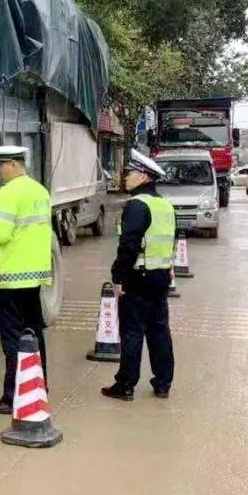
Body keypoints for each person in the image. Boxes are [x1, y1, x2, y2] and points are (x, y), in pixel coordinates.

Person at [0, 145, 53, 415]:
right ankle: (39, 385)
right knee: (34, 331)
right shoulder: (39, 191)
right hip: (33, 277)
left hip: (9, 279)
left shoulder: (7, 193)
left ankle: (12, 397)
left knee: (12, 339)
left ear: (11, 164)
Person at [101, 149, 175, 402]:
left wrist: (118, 276)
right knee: (159, 331)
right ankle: (163, 383)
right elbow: (169, 243)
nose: (126, 177)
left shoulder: (137, 205)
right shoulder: (164, 204)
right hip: (161, 278)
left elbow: (129, 245)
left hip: (138, 278)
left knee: (132, 332)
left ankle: (126, 385)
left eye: (130, 172)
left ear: (143, 176)